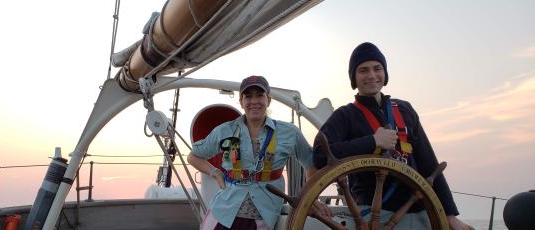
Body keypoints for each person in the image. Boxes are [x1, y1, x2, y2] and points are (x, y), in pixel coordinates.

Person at [313, 42, 474, 230]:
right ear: (354, 78)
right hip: (373, 216)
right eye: (363, 71)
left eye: (377, 69)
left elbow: (428, 163)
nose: (372, 75)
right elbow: (320, 154)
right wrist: (372, 141)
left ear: (385, 74)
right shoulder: (345, 115)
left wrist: (450, 216)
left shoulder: (405, 109)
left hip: (419, 211)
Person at [188, 75, 330, 230]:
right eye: (248, 96)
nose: (254, 101)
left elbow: (310, 163)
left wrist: (311, 198)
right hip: (222, 214)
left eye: (260, 95)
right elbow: (193, 156)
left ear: (268, 100)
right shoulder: (225, 130)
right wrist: (216, 173)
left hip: (261, 218)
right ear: (241, 102)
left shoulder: (289, 132)